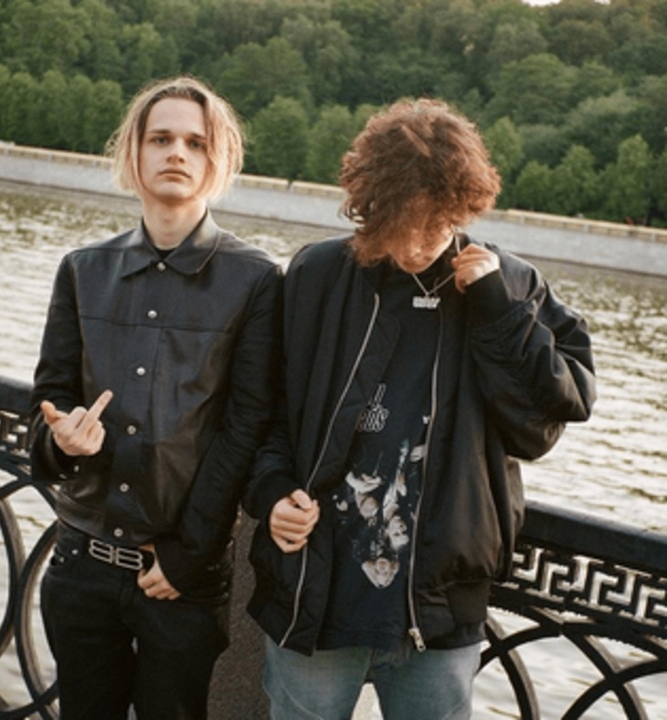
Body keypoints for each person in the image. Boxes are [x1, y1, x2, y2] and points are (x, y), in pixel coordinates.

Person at [243, 98, 596, 719]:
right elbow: (264, 412)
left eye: (433, 225)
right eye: (398, 224)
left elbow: (553, 413)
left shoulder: (510, 284)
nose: (413, 246)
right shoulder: (317, 274)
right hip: (313, 593)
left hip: (438, 607)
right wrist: (271, 492)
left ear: (462, 207)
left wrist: (497, 311)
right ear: (369, 206)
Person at [29, 75, 282, 720]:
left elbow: (247, 427)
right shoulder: (82, 269)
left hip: (181, 577)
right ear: (133, 152)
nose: (177, 153)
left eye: (196, 143)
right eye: (161, 138)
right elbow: (49, 399)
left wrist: (188, 557)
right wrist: (62, 441)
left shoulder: (256, 279)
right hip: (79, 564)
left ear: (218, 160)